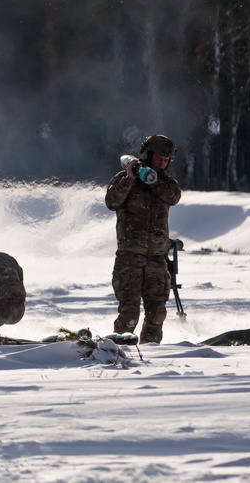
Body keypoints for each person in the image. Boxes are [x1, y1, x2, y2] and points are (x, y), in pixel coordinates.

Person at [105, 133, 181, 344]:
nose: (162, 163)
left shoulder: (167, 183)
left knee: (157, 314)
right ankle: (119, 353)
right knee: (129, 315)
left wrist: (151, 179)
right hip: (130, 258)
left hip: (156, 258)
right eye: (159, 158)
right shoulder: (125, 179)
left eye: (166, 160)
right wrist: (131, 177)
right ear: (148, 154)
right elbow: (111, 201)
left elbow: (173, 197)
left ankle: (151, 357)